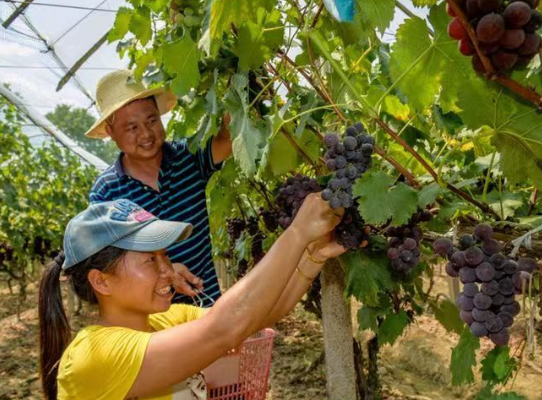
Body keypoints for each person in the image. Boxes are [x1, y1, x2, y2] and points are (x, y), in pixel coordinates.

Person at [38, 196, 345, 400]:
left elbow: (256, 315)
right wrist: (296, 234)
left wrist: (310, 259)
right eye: (150, 260)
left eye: (165, 256)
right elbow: (225, 328)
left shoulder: (163, 321)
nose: (168, 271)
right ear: (101, 281)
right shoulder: (91, 356)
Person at [86, 69, 232, 304]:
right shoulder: (106, 192)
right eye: (132, 127)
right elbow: (109, 260)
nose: (145, 133)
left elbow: (228, 139)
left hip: (206, 305)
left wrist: (234, 87)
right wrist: (165, 271)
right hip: (152, 322)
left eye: (152, 120)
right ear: (111, 133)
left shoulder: (189, 157)